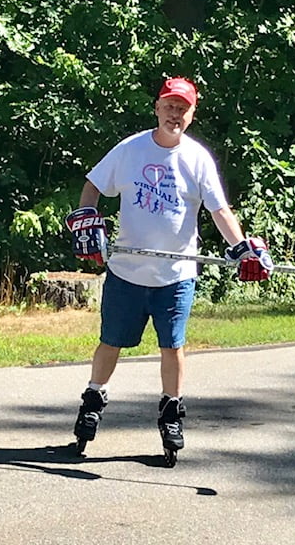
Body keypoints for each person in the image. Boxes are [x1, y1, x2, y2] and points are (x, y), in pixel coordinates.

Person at [66, 77, 272, 458]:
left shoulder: (197, 158)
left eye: (182, 108)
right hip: (127, 272)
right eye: (169, 106)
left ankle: (171, 412)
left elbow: (219, 210)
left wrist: (241, 248)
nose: (174, 114)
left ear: (191, 115)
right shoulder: (131, 149)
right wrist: (87, 218)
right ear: (157, 108)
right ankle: (92, 402)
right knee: (111, 342)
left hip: (176, 277)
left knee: (172, 347)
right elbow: (93, 184)